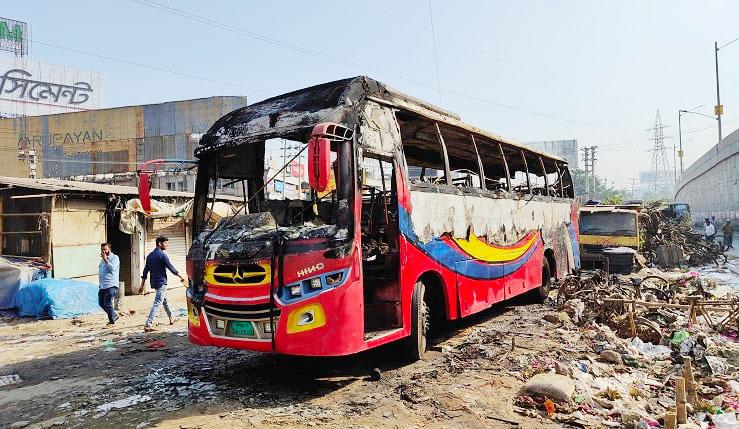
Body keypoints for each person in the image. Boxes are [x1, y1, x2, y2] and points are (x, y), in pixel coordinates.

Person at [142, 236, 185, 332]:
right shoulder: (162, 255)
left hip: (154, 282)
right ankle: (148, 324)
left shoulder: (150, 256)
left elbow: (145, 271)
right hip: (162, 282)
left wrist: (142, 285)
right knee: (157, 303)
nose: (167, 245)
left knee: (164, 300)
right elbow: (170, 267)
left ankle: (172, 317)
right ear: (160, 244)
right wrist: (181, 276)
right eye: (165, 243)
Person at [98, 243, 120, 326]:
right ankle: (114, 315)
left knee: (108, 303)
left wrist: (106, 260)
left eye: (105, 249)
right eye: (102, 249)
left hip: (111, 284)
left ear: (109, 249)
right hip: (103, 285)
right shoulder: (102, 260)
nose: (103, 251)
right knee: (101, 303)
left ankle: (112, 321)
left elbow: (113, 268)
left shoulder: (115, 258)